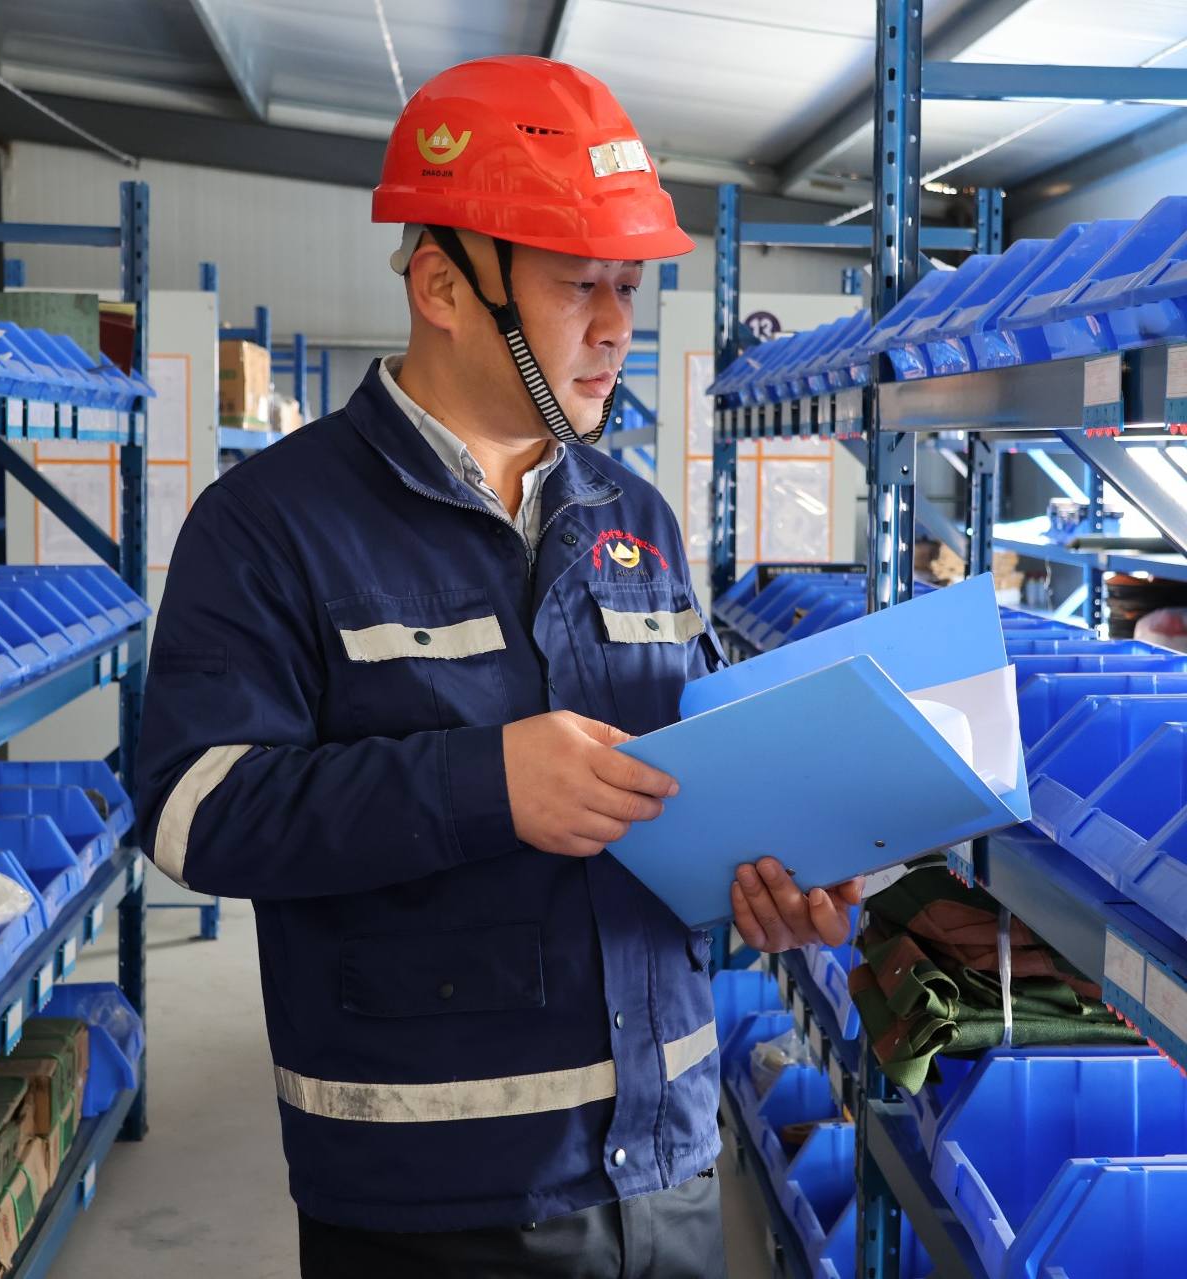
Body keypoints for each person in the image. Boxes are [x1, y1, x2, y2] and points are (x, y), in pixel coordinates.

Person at [136, 54, 863, 1279]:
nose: (617, 325)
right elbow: (191, 813)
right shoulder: (271, 523)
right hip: (433, 1201)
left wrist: (763, 881)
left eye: (627, 285)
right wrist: (485, 783)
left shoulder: (635, 515)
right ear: (442, 284)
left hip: (668, 1166)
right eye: (581, 284)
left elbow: (678, 789)